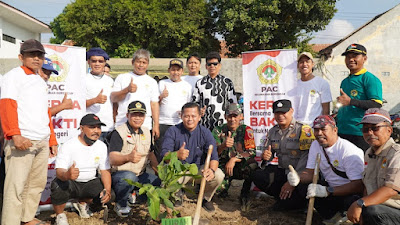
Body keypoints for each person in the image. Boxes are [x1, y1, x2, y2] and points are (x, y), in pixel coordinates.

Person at [0, 39, 57, 225]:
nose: (36, 58)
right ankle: (11, 222)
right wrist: (14, 134)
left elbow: (45, 112)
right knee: (15, 187)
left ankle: (26, 218)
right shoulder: (13, 76)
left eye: (40, 55)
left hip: (41, 139)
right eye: (32, 54)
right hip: (22, 139)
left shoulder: (39, 80)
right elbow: (7, 106)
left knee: (36, 184)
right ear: (20, 57)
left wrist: (52, 139)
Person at [288, 115, 364, 224]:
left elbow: (358, 185)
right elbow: (309, 173)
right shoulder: (315, 145)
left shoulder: (349, 150)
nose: (319, 133)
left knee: (352, 201)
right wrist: (298, 177)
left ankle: (346, 215)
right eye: (316, 130)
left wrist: (327, 191)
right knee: (304, 187)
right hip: (330, 190)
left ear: (335, 130)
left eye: (323, 129)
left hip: (347, 193)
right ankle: (332, 216)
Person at [250, 99, 314, 211]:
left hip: (300, 175)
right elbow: (268, 155)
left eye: (283, 112)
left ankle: (295, 203)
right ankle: (282, 198)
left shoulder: (303, 130)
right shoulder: (272, 131)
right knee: (259, 175)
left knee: (298, 195)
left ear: (291, 111)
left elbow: (307, 158)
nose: (280, 116)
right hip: (283, 171)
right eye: (277, 113)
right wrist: (266, 156)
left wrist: (293, 181)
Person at [161, 102, 224, 212]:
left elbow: (214, 157)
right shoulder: (172, 131)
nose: (190, 119)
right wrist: (176, 155)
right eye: (186, 116)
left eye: (193, 116)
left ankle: (205, 198)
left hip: (199, 170)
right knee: (166, 176)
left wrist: (212, 170)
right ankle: (177, 193)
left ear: (199, 117)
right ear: (181, 116)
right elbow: (164, 156)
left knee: (218, 174)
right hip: (179, 171)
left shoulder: (205, 132)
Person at [51, 114, 111, 225]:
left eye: (98, 127)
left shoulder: (102, 146)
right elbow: (59, 172)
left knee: (109, 193)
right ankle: (60, 215)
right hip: (72, 183)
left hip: (90, 182)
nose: (96, 131)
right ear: (82, 128)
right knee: (58, 184)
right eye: (92, 127)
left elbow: (105, 171)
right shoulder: (69, 145)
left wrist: (107, 190)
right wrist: (67, 175)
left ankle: (82, 203)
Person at [347, 108, 400, 224]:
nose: (370, 133)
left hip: (395, 209)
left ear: (389, 131)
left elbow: (390, 190)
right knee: (351, 200)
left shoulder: (397, 153)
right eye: (365, 129)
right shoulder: (369, 153)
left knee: (372, 211)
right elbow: (367, 185)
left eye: (375, 128)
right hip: (379, 206)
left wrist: (360, 204)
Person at [108, 101, 160, 217]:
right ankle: (121, 203)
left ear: (144, 117)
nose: (138, 118)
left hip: (140, 175)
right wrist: (128, 157)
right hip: (121, 175)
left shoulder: (147, 132)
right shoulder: (119, 132)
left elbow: (151, 155)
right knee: (128, 177)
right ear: (127, 116)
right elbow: (112, 158)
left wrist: (159, 173)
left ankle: (134, 196)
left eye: (141, 115)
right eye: (134, 115)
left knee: (156, 182)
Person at [336, 44, 383, 151]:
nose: (351, 59)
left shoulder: (370, 79)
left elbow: (376, 104)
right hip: (342, 131)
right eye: (348, 57)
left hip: (360, 133)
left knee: (361, 166)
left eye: (355, 56)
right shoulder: (345, 81)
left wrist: (350, 101)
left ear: (364, 58)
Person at [212, 103, 257, 208]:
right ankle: (223, 189)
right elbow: (212, 153)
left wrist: (234, 159)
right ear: (225, 116)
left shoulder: (246, 130)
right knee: (218, 194)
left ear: (241, 116)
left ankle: (245, 193)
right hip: (223, 166)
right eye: (229, 116)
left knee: (253, 166)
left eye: (235, 116)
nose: (232, 119)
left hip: (240, 165)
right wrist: (223, 146)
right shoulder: (218, 130)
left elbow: (252, 152)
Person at [111, 49, 160, 140]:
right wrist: (126, 90)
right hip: (123, 123)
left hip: (144, 125)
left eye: (144, 62)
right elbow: (113, 98)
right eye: (138, 62)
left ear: (147, 64)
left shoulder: (152, 82)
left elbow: (154, 104)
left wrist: (156, 125)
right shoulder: (122, 77)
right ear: (133, 62)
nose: (141, 65)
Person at [154, 59, 192, 162]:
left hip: (179, 124)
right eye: (173, 70)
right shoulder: (162, 83)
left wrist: (183, 114)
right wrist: (161, 96)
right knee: (162, 154)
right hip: (163, 123)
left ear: (182, 71)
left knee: (178, 152)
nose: (175, 72)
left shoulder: (187, 86)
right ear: (169, 70)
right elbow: (154, 104)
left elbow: (188, 106)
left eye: (178, 70)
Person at [192, 51, 237, 131]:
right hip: (204, 125)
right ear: (206, 66)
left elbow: (233, 104)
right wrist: (199, 110)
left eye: (215, 64)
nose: (212, 66)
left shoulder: (227, 82)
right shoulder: (200, 83)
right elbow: (195, 103)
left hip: (223, 125)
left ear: (219, 65)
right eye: (209, 64)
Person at [85, 47, 115, 143]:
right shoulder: (83, 80)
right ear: (88, 62)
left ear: (105, 63)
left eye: (100, 61)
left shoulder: (110, 80)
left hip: (109, 127)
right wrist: (95, 100)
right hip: (92, 127)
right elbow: (77, 104)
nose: (97, 64)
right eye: (94, 61)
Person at [295, 52, 332, 125]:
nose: (304, 64)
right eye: (301, 62)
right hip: (297, 128)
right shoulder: (294, 85)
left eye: (307, 61)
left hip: (315, 127)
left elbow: (326, 110)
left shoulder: (322, 83)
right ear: (298, 65)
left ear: (312, 64)